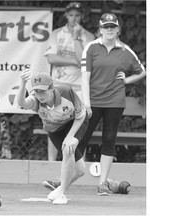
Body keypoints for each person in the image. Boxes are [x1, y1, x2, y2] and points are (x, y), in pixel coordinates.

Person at [80, 13, 146, 196]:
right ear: (100, 29)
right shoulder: (91, 48)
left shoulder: (126, 51)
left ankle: (103, 184)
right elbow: (84, 78)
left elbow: (142, 71)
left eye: (112, 27)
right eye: (105, 27)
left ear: (118, 30)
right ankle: (64, 179)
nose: (109, 30)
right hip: (92, 101)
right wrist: (87, 104)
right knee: (79, 140)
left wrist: (127, 80)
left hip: (115, 102)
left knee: (109, 140)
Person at [16, 70, 89, 204]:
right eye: (36, 91)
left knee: (68, 149)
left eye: (43, 91)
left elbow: (81, 115)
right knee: (80, 170)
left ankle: (61, 194)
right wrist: (23, 83)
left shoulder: (66, 92)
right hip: (55, 130)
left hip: (76, 121)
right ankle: (60, 187)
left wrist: (71, 136)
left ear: (51, 88)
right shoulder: (35, 101)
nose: (40, 95)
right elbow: (22, 102)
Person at [44, 2, 95, 163]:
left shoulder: (89, 36)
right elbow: (51, 58)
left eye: (77, 15)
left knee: (79, 126)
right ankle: (51, 163)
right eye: (71, 15)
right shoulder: (56, 33)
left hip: (79, 88)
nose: (74, 18)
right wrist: (75, 60)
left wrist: (76, 38)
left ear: (82, 17)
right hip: (57, 85)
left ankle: (78, 164)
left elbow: (83, 61)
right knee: (54, 124)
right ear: (65, 15)